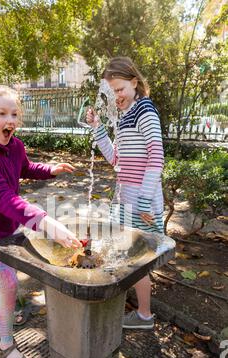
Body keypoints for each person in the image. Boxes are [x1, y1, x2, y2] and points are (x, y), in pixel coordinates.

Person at [0, 85, 81, 358]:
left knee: (7, 277)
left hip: (10, 224)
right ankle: (5, 347)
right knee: (9, 282)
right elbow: (3, 198)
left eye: (14, 114)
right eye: (1, 114)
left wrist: (50, 169)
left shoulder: (14, 145)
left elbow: (25, 168)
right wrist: (45, 222)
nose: (10, 120)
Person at [86, 57, 164, 330]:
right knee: (126, 254)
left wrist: (144, 200)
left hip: (142, 202)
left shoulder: (145, 111)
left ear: (134, 83)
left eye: (120, 89)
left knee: (138, 260)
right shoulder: (125, 117)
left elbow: (156, 158)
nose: (116, 96)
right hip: (125, 200)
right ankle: (134, 307)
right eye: (111, 92)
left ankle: (144, 316)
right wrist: (98, 129)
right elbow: (116, 160)